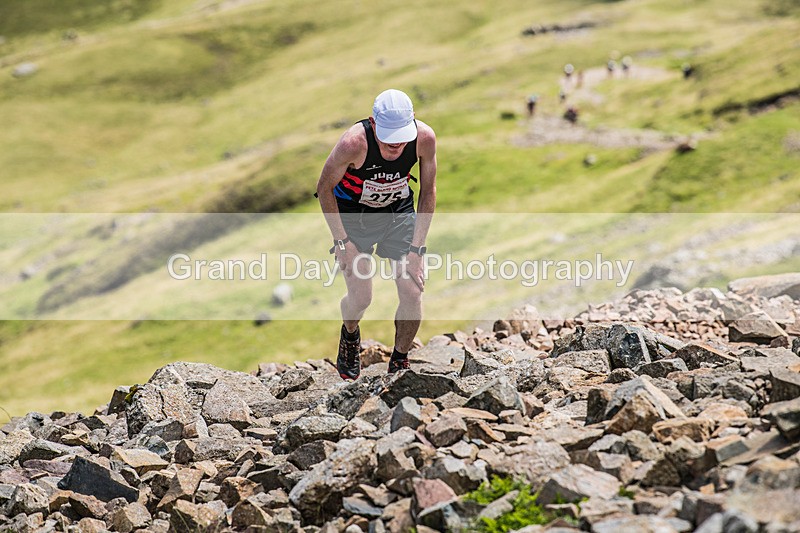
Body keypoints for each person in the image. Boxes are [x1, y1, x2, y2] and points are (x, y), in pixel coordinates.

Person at [316, 89, 437, 380]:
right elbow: (324, 188)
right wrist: (342, 242)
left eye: (401, 137)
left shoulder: (424, 138)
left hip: (397, 213)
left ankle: (400, 360)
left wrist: (417, 250)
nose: (395, 145)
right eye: (388, 137)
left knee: (412, 290)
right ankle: (350, 334)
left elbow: (428, 192)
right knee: (361, 298)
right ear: (373, 123)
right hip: (353, 217)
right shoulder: (353, 143)